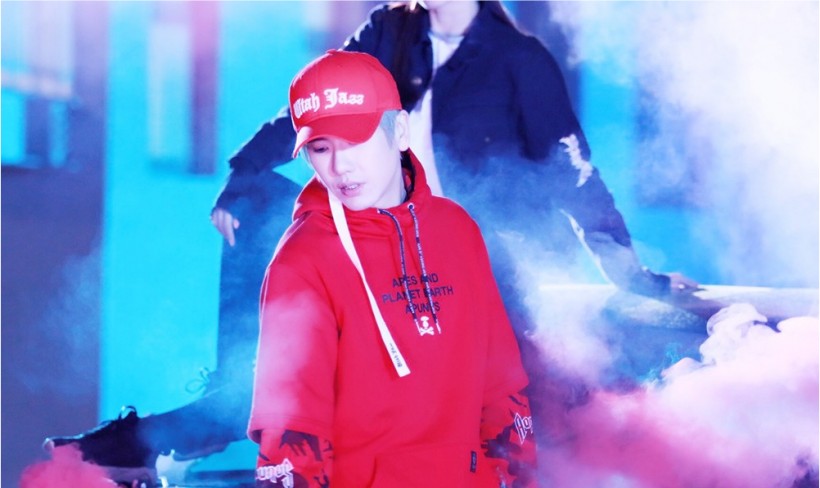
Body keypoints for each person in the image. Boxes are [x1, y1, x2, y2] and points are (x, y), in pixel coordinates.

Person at [43, 1, 695, 485]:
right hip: (376, 248)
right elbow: (310, 113)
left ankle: (148, 443)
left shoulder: (518, 61)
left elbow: (573, 172)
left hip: (471, 265)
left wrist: (631, 275)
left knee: (502, 406)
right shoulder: (390, 32)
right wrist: (242, 174)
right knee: (265, 346)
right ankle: (133, 445)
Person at [250, 48, 536, 488]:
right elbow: (291, 428)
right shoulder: (302, 261)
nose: (340, 166)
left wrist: (518, 480)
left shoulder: (457, 230)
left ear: (399, 131)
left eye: (355, 141)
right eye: (321, 148)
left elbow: (501, 387)